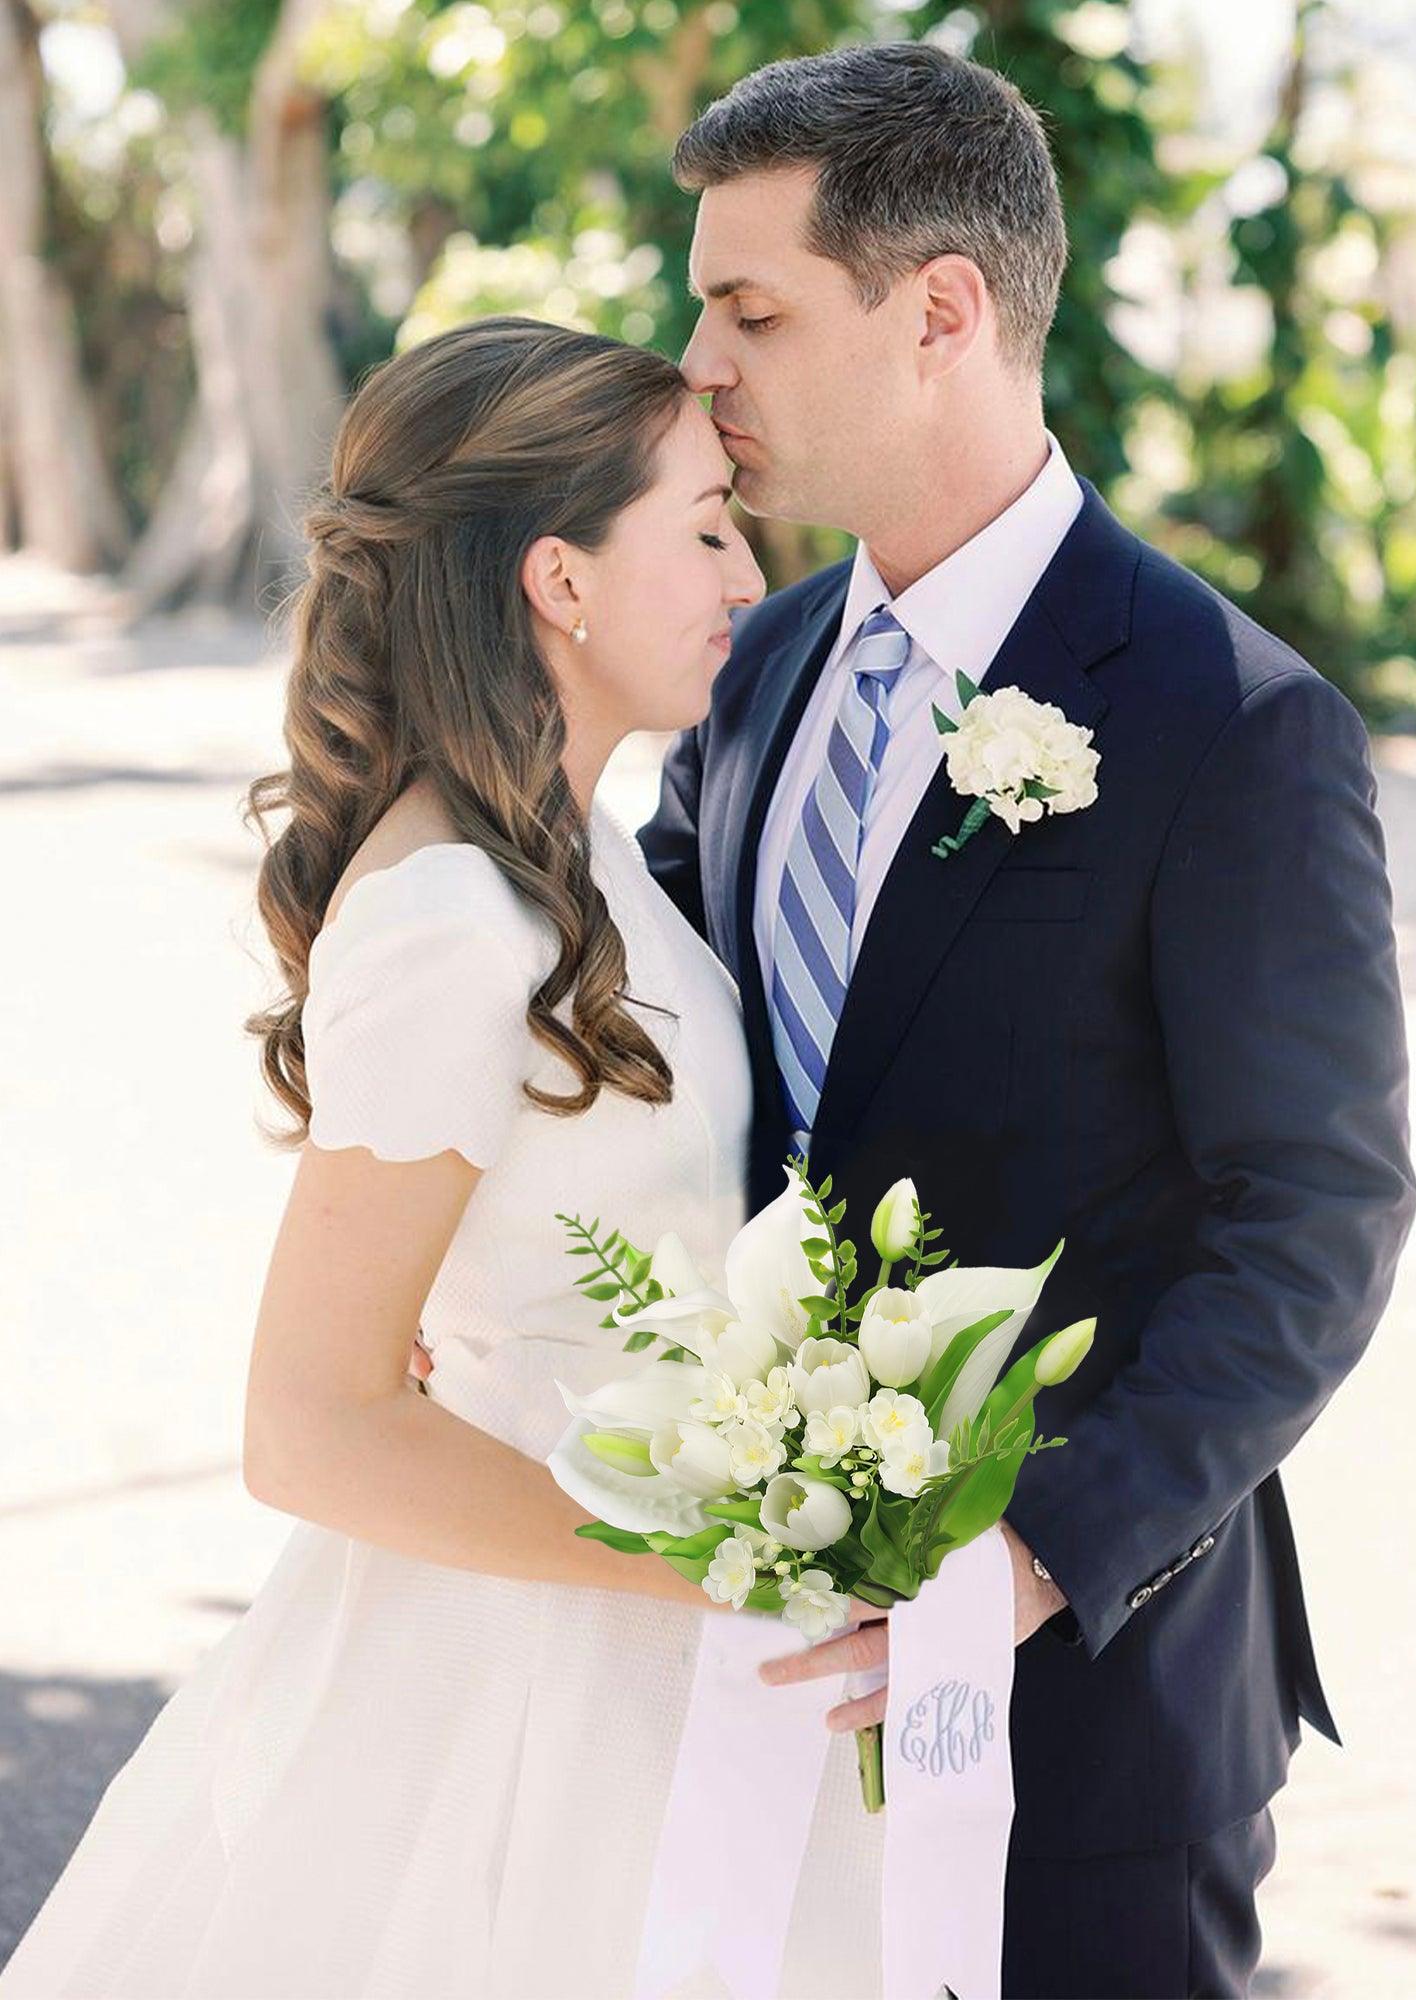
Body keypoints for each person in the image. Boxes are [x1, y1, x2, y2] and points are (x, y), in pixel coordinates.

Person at [630, 42, 1416, 2000]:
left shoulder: (1229, 721)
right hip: (745, 1673)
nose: (699, 365)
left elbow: (1314, 1222)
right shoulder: (765, 665)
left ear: (944, 313)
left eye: (749, 309)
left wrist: (1036, 1555)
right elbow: (657, 1019)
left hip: (1083, 1703)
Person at [0, 316, 890, 1999]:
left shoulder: (579, 848)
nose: (745, 567)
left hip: (651, 1629)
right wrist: (711, 1550)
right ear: (558, 579)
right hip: (522, 1663)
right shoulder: (445, 914)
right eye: (703, 522)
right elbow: (310, 1422)